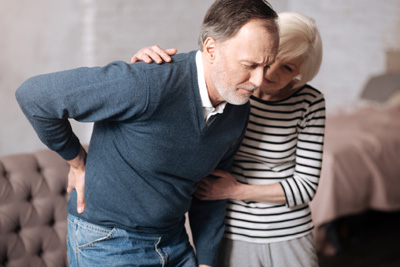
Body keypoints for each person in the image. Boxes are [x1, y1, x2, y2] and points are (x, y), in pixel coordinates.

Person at [15, 0, 280, 266]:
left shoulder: (238, 104)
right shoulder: (147, 82)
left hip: (174, 242)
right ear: (211, 49)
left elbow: (211, 189)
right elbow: (35, 96)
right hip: (108, 243)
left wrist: (207, 260)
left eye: (266, 66)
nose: (258, 81)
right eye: (250, 65)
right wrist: (76, 161)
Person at [131, 11, 325, 267]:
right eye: (271, 60)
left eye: (288, 67)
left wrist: (236, 190)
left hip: (288, 234)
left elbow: (306, 186)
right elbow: (188, 84)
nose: (270, 73)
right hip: (231, 231)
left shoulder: (309, 102)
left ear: (302, 72)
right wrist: (143, 68)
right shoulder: (233, 91)